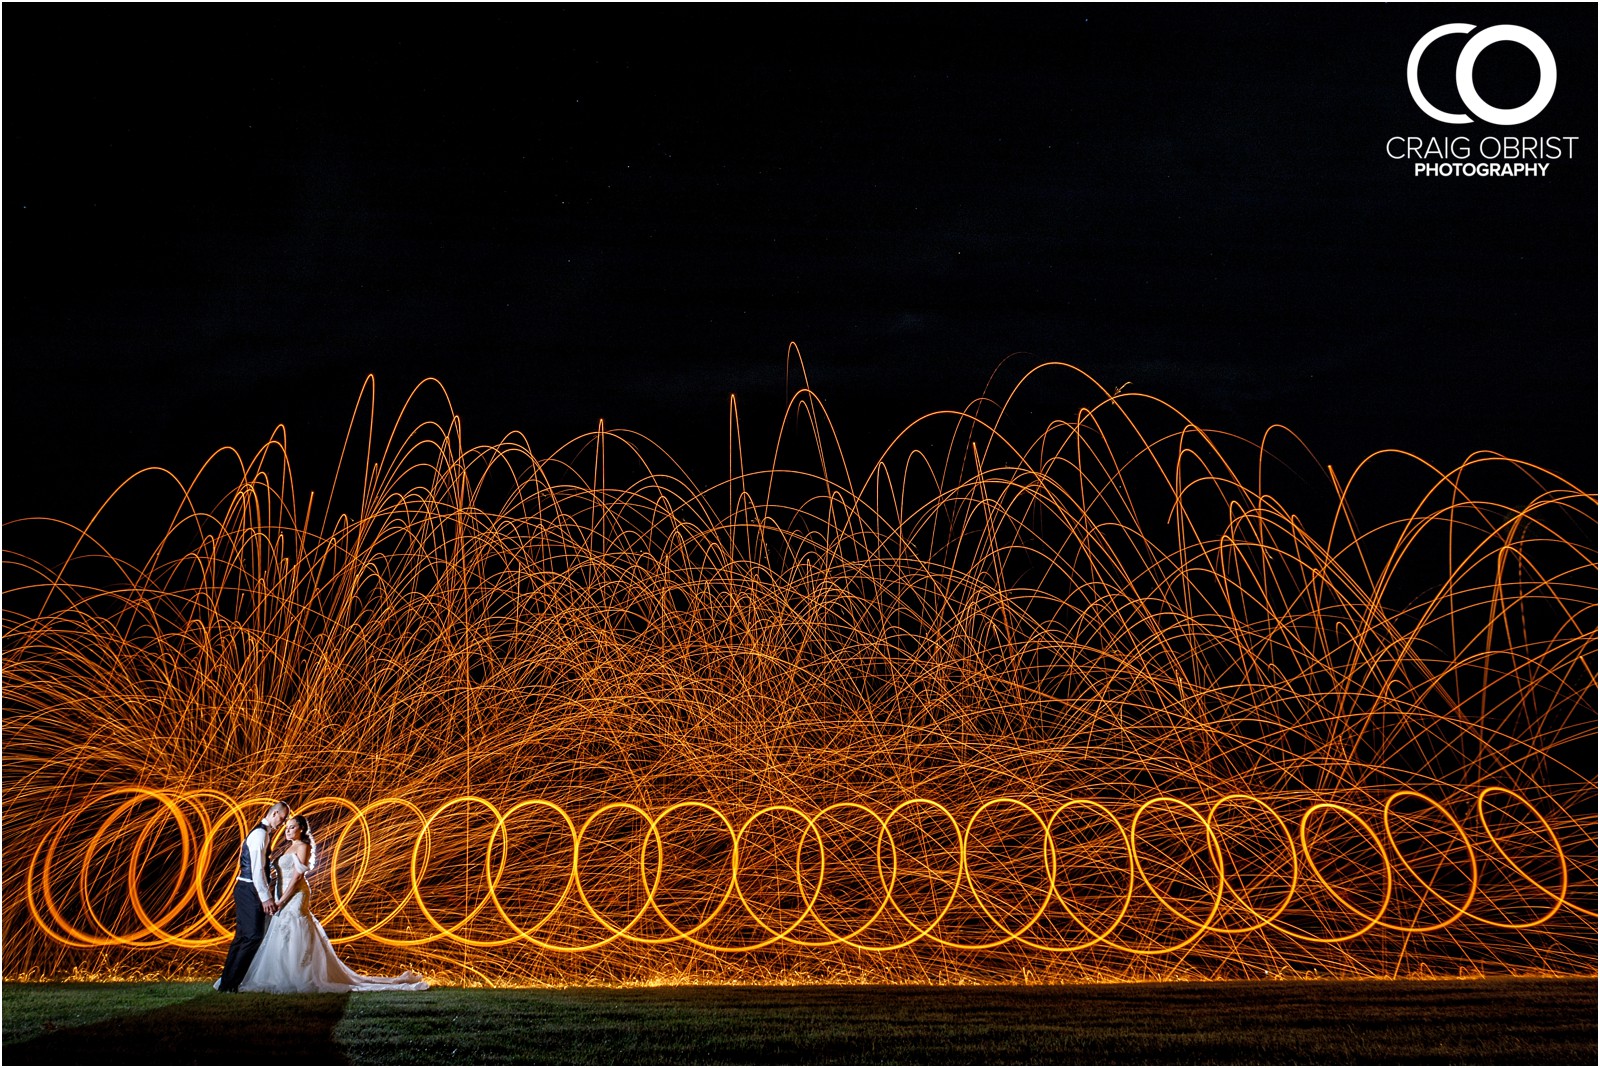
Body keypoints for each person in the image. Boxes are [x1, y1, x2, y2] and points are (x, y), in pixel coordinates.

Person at [236, 814, 428, 993]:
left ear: (301, 829)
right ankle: (280, 973)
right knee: (281, 930)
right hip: (282, 895)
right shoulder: (288, 846)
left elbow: (296, 878)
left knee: (293, 928)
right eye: (286, 827)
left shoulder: (303, 847)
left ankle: (298, 974)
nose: (287, 830)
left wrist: (282, 900)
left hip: (294, 895)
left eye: (292, 827)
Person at [216, 800, 289, 992]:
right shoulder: (260, 834)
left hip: (247, 888)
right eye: (282, 818)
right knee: (252, 936)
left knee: (242, 937)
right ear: (274, 814)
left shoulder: (262, 833)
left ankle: (228, 983)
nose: (282, 823)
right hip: (250, 889)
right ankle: (230, 983)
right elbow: (257, 870)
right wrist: (265, 898)